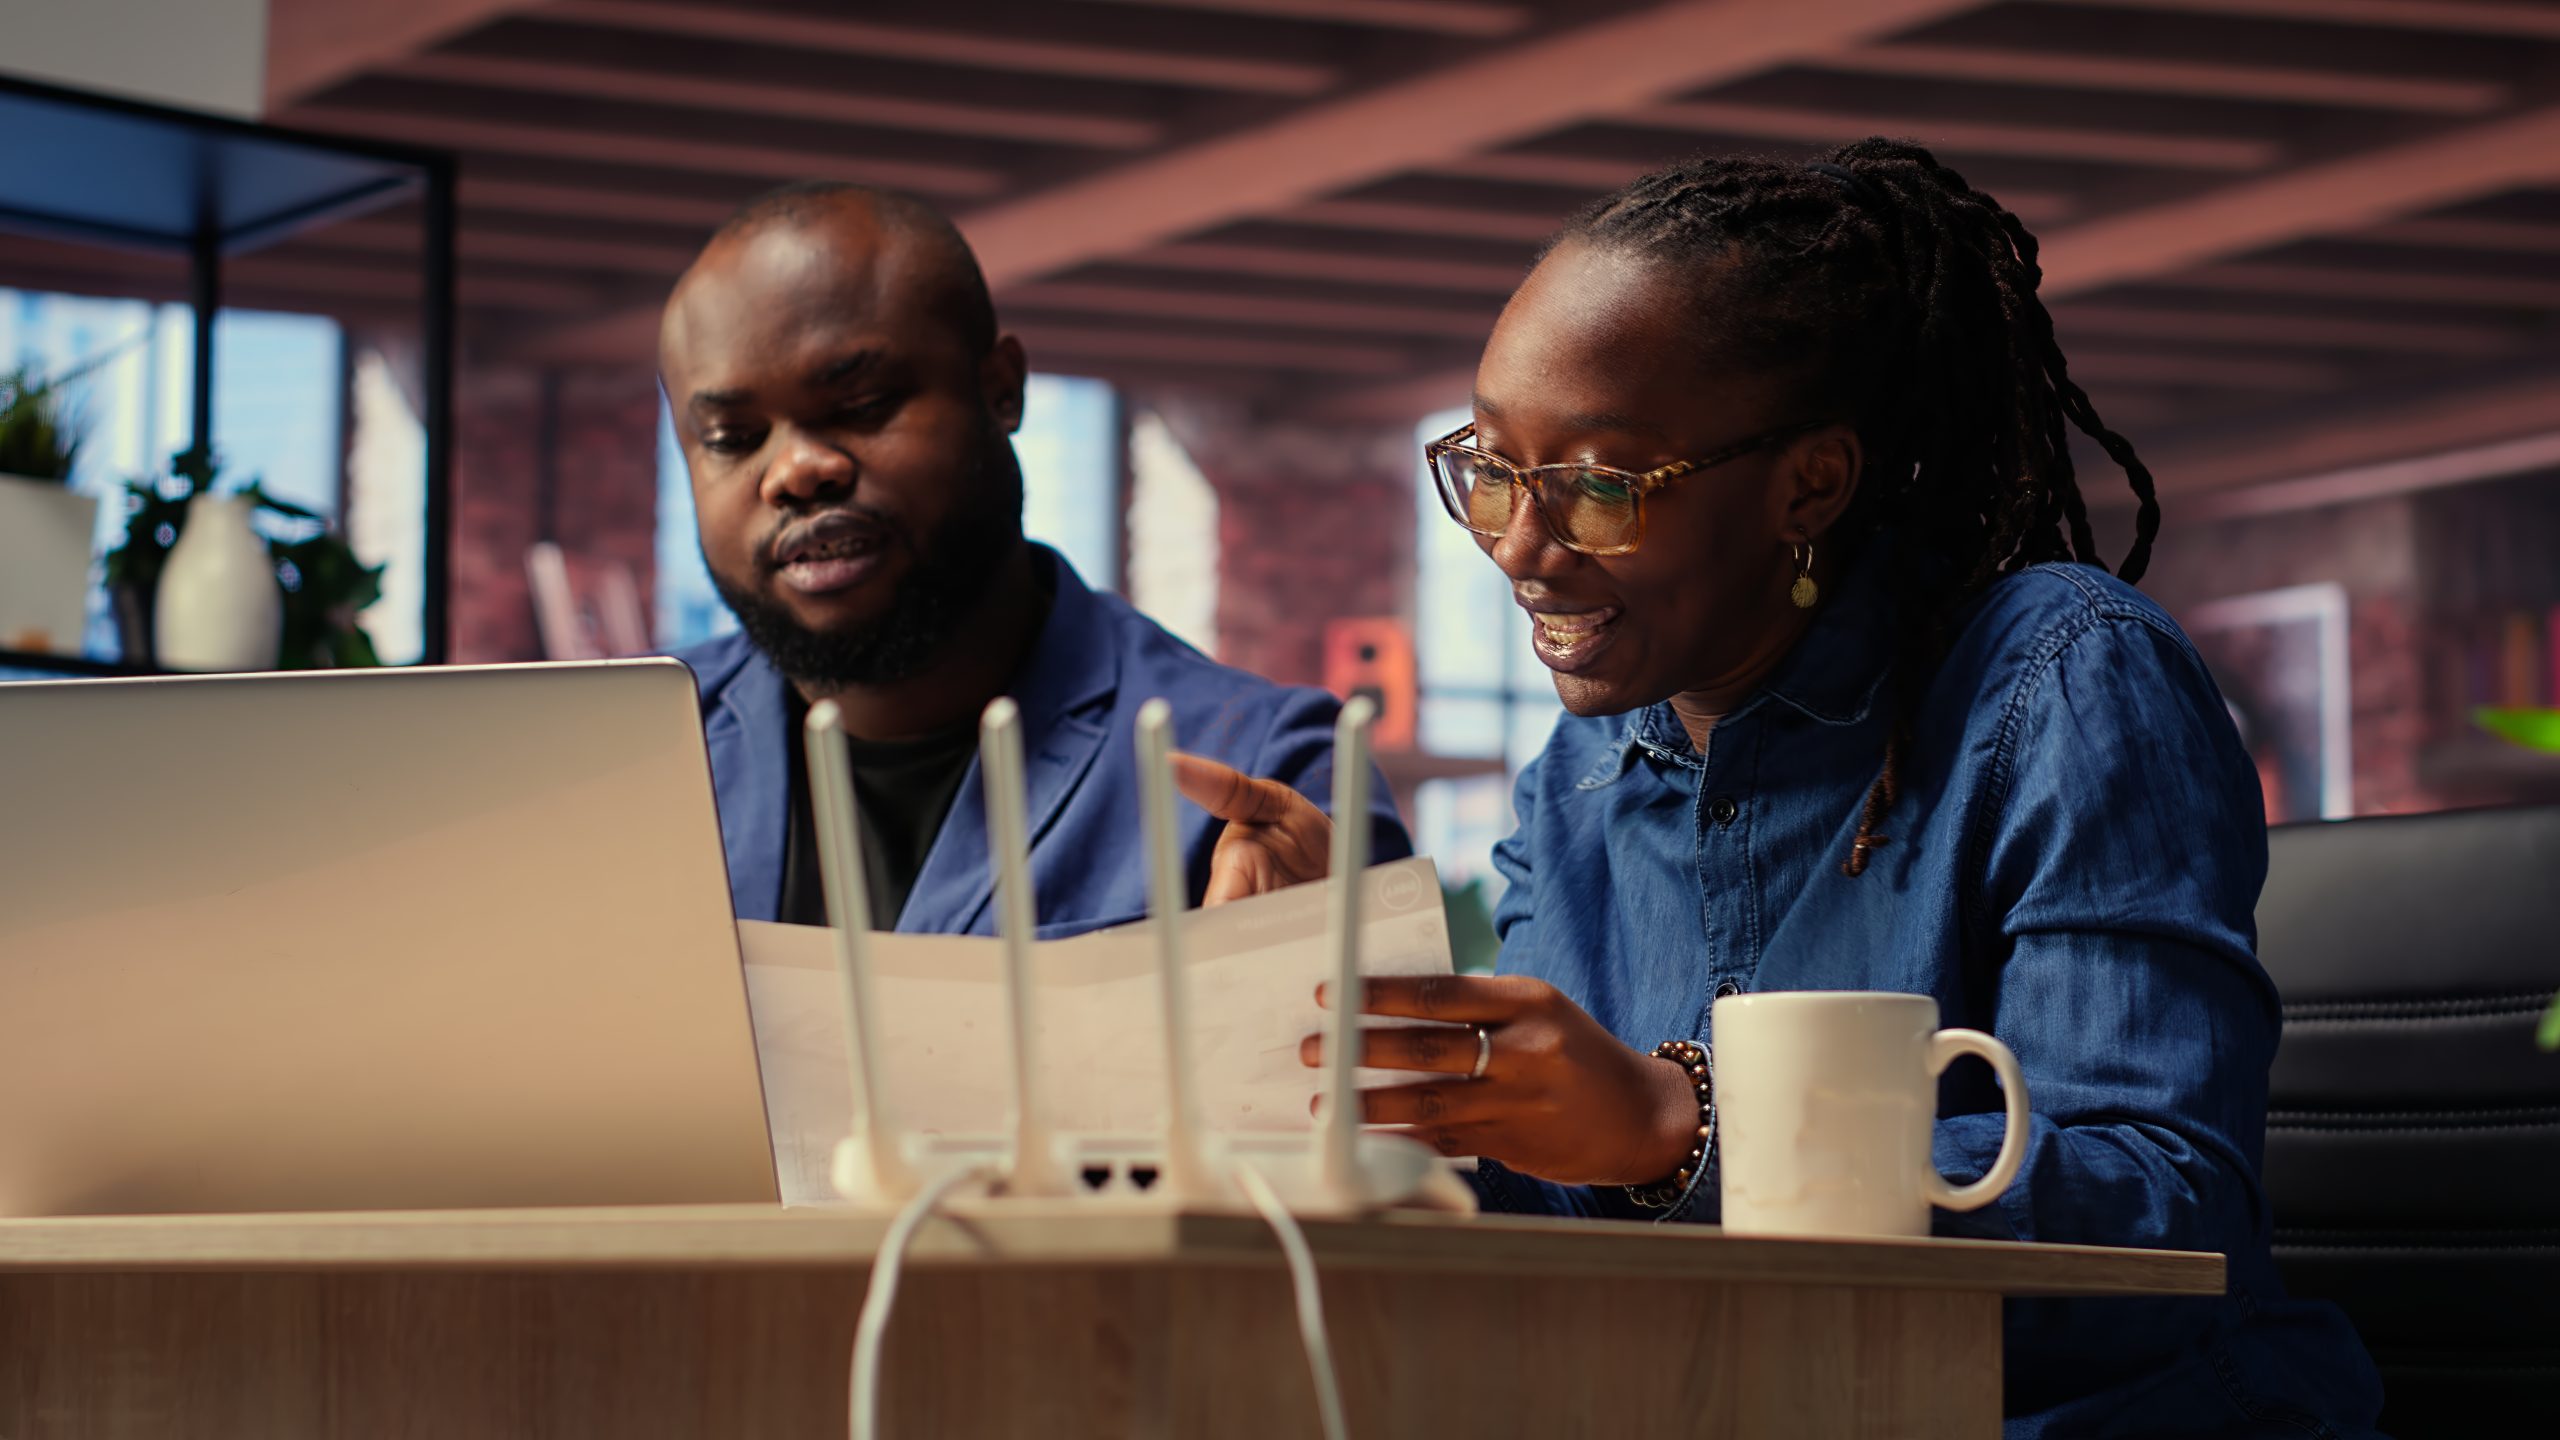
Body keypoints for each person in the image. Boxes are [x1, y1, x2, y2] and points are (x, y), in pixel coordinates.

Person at [1234, 141, 2385, 1435]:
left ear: (1809, 484)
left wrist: (1681, 1129)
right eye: (1493, 469)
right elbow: (1561, 1228)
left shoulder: (2061, 677)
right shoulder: (1585, 774)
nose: (1520, 546)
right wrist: (1334, 989)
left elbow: (2163, 1218)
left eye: (1603, 486)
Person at [659, 183, 1406, 934]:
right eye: (731, 438)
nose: (794, 470)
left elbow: (1378, 1047)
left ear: (1000, 390)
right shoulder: (618, 759)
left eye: (862, 405)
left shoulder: (1264, 773)